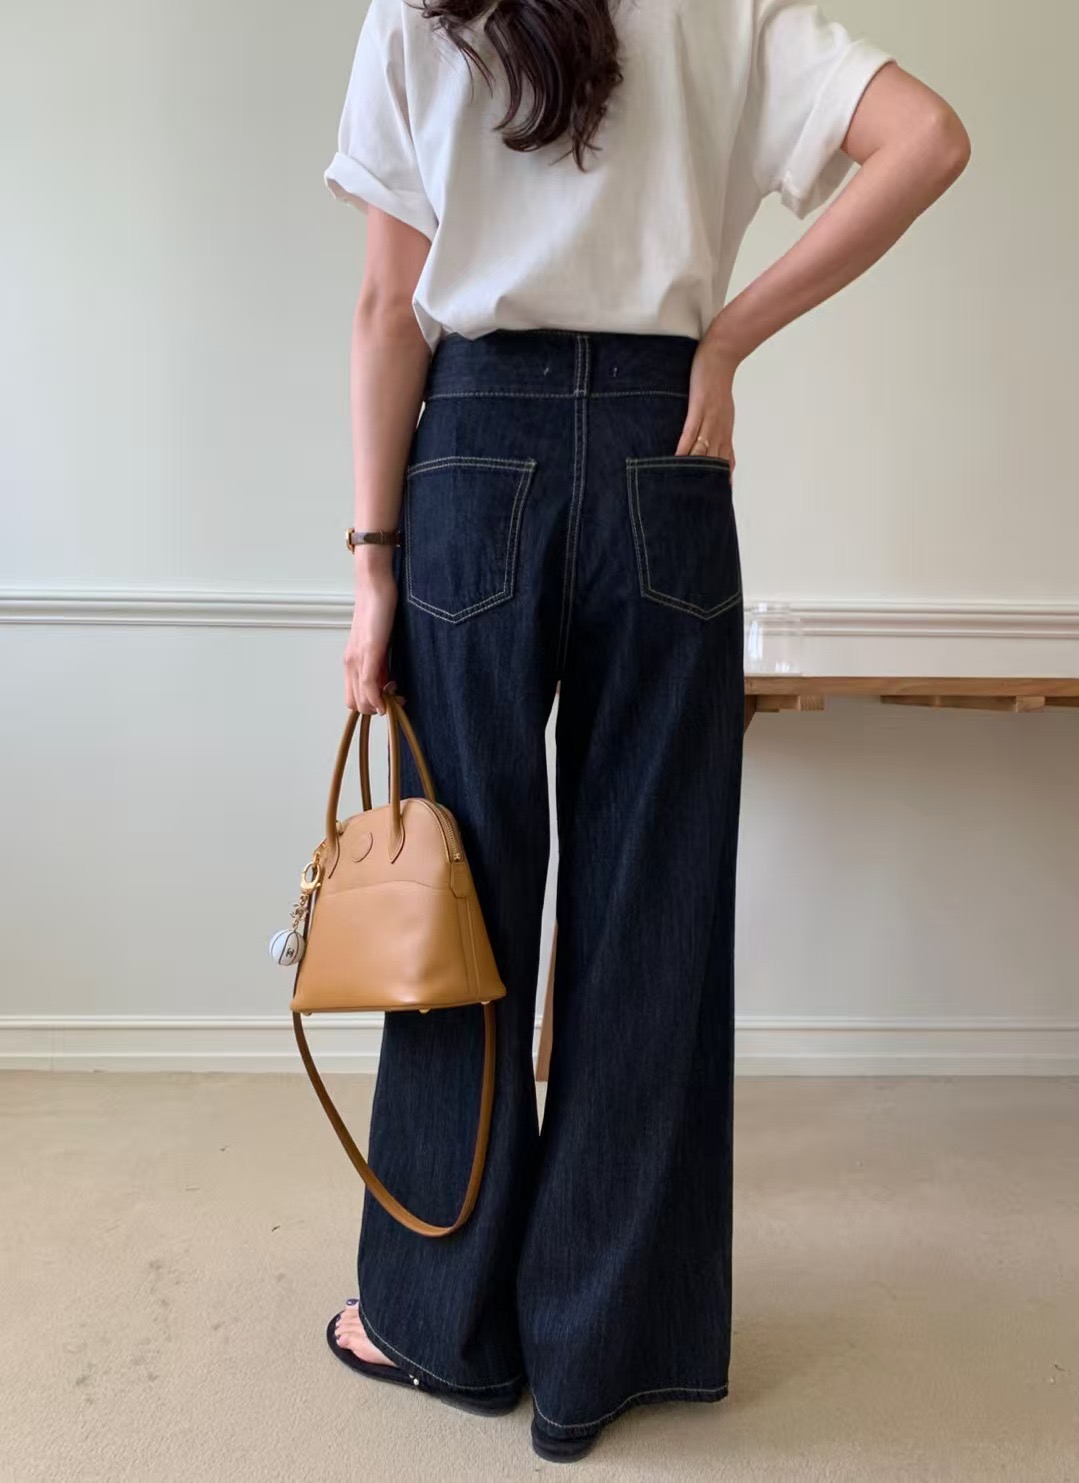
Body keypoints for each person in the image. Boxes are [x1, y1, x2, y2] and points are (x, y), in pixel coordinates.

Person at [322, 0, 969, 1461]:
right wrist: (726, 337)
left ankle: (438, 1321)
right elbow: (927, 141)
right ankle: (608, 1347)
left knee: (455, 899)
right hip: (660, 453)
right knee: (651, 901)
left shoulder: (422, 7)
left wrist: (372, 563)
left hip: (473, 457)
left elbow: (385, 305)